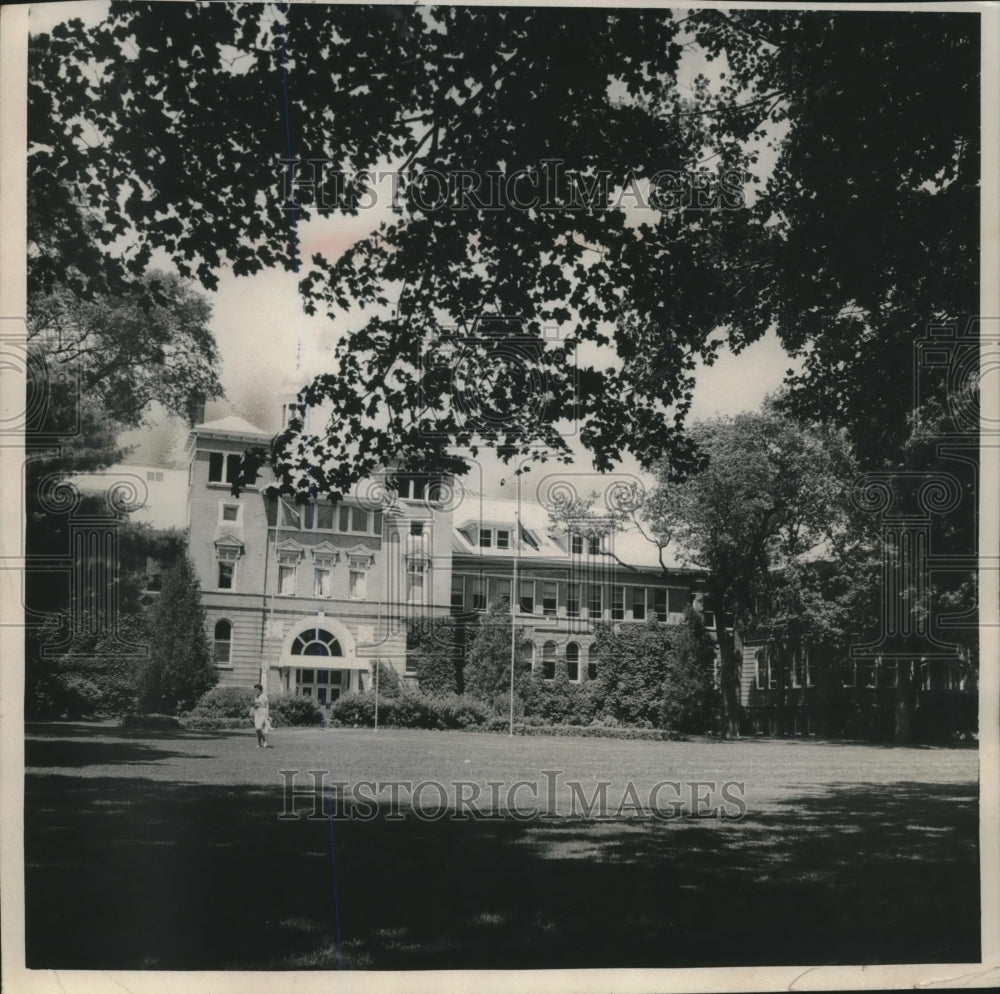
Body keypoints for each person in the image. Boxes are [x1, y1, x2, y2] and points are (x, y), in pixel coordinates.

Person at [251, 683, 271, 748]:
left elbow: (267, 705)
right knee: (257, 729)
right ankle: (259, 744)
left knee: (259, 728)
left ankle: (264, 741)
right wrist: (253, 710)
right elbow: (256, 705)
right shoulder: (255, 696)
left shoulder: (264, 695)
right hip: (257, 713)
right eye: (255, 689)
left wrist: (267, 714)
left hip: (263, 712)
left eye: (256, 689)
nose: (255, 691)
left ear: (259, 689)